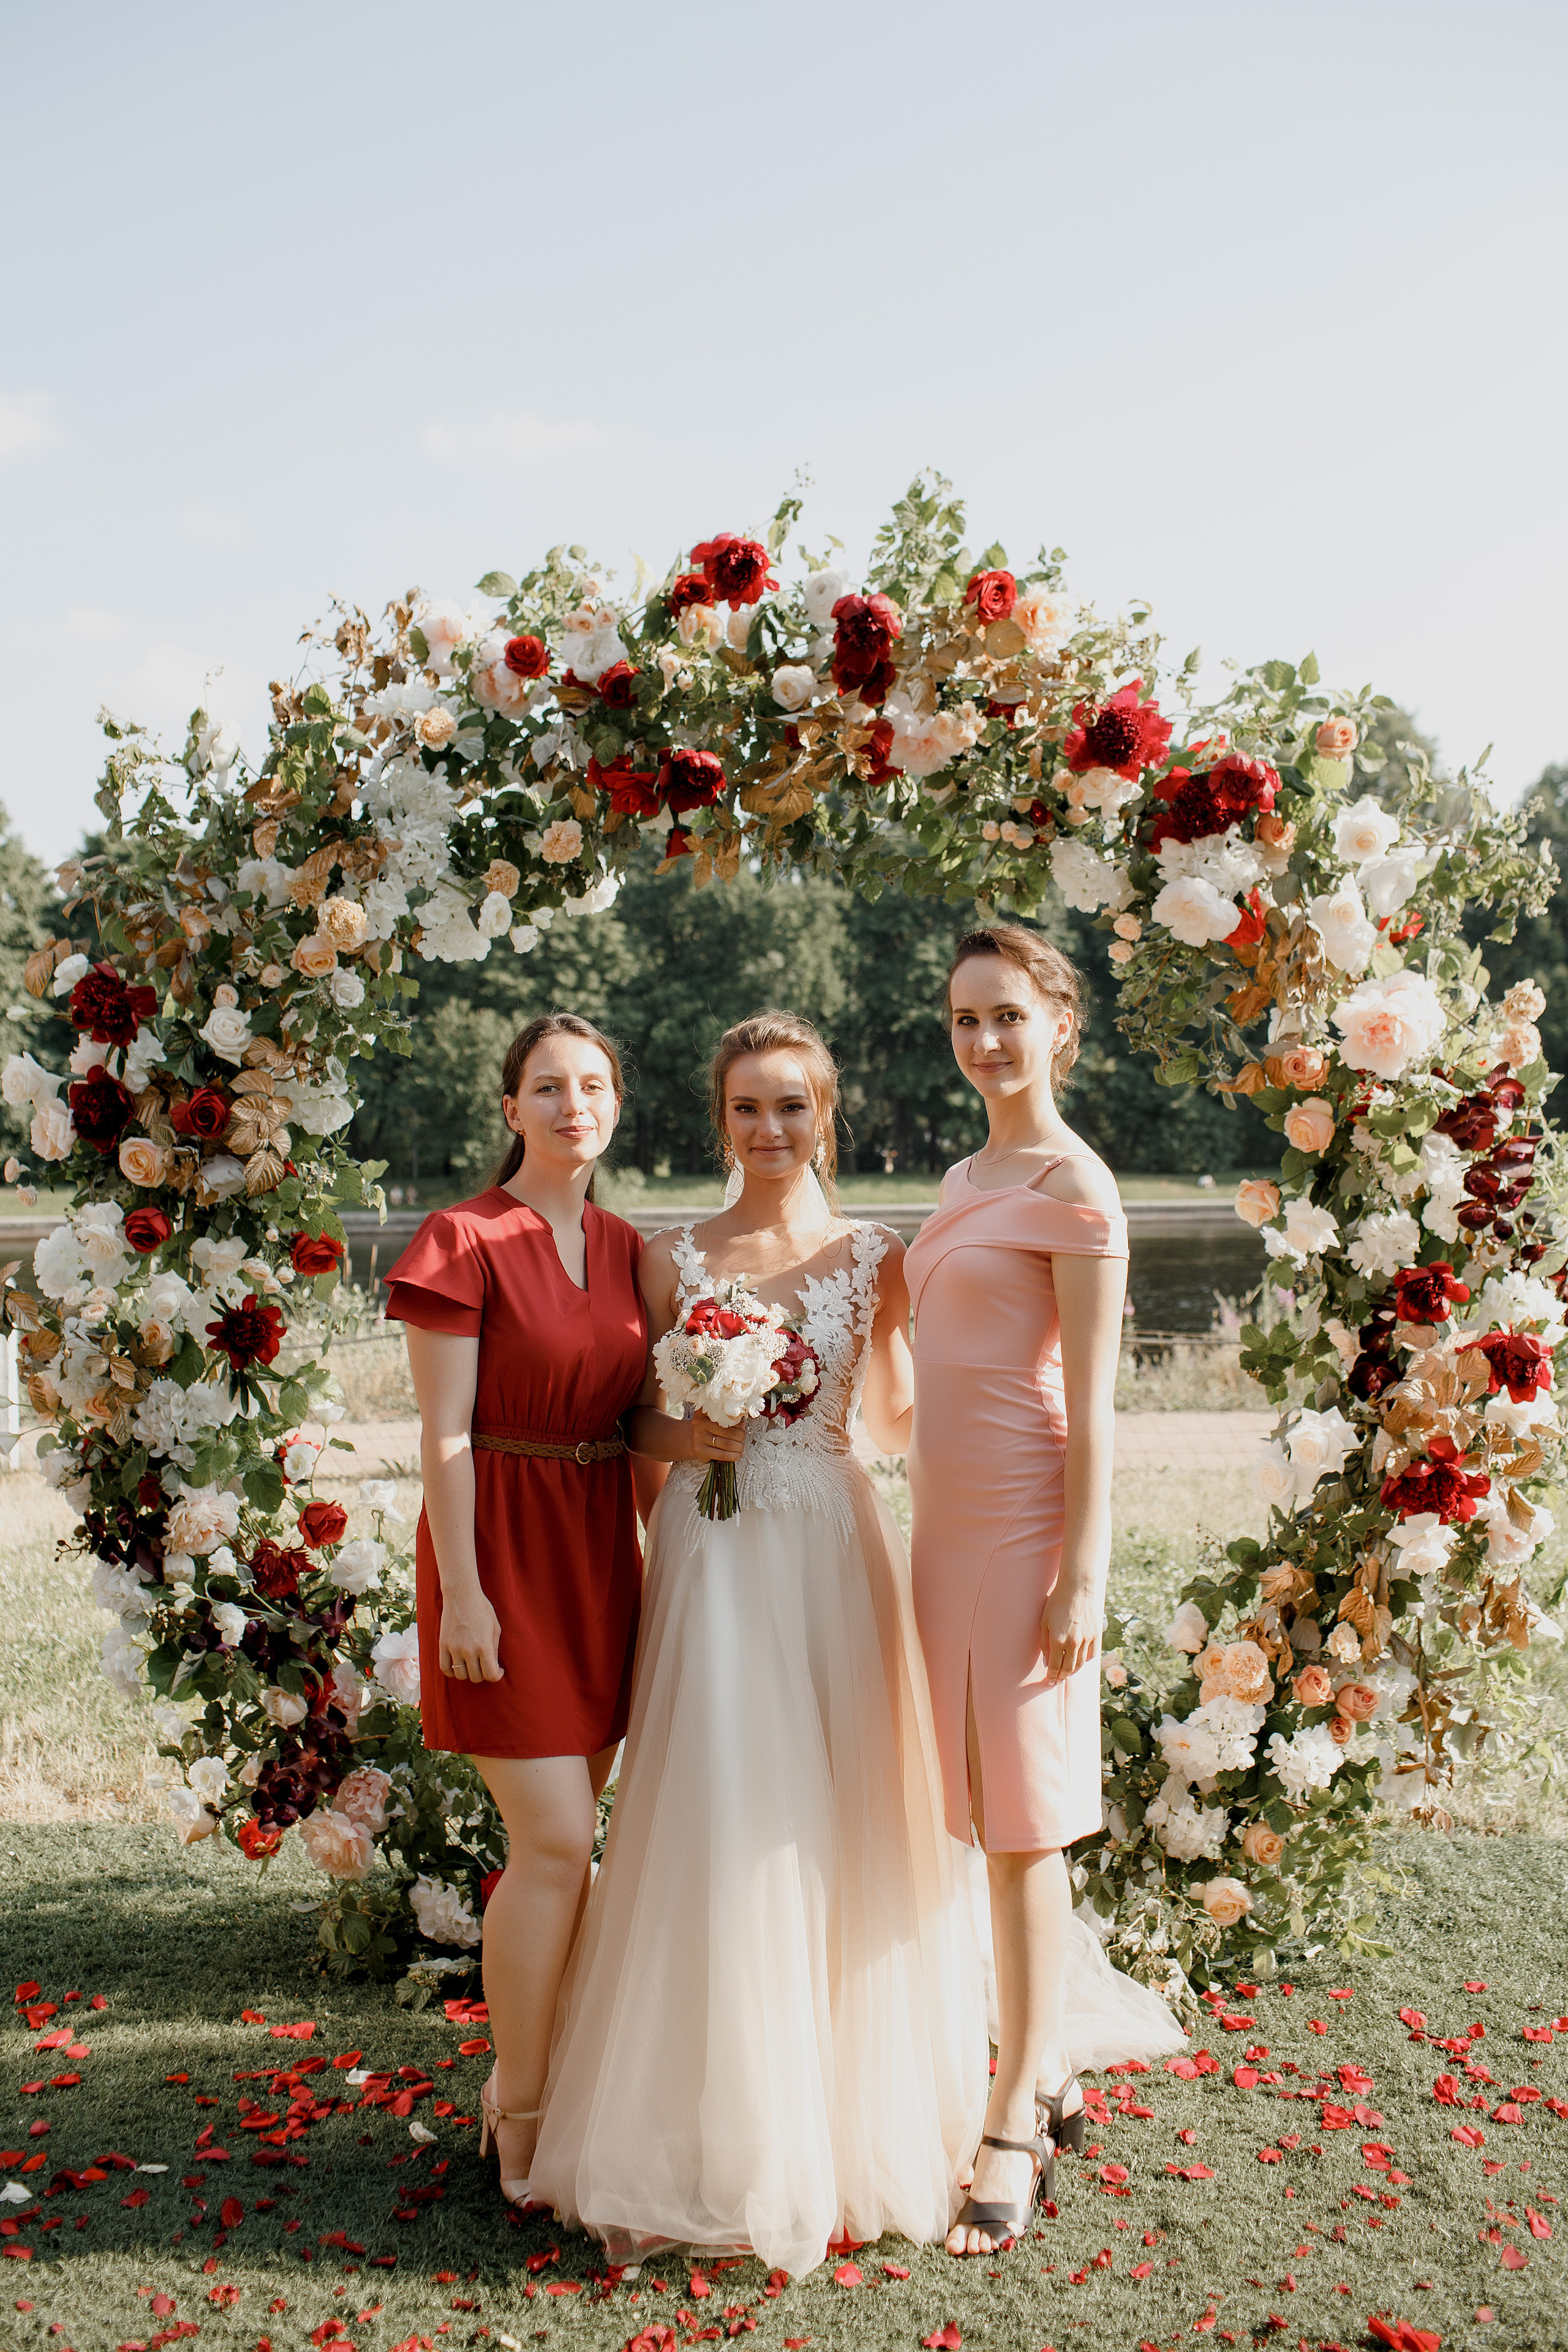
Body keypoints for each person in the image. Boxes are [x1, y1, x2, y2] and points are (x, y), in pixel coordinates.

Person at [527, 1011, 988, 2277]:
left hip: (834, 1544)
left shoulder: (876, 1253)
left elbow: (896, 1414)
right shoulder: (672, 1259)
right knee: (722, 1813)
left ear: (824, 1115)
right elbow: (636, 1427)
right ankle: (704, 2128)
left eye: (791, 1105)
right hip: (712, 1553)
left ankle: (842, 2109)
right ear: (717, 1120)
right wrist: (703, 1440)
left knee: (836, 1813)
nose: (769, 1128)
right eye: (746, 1108)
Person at [383, 1012, 659, 2205]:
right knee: (551, 1844)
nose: (571, 1105)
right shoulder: (461, 1239)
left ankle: (565, 2081)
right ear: (510, 1110)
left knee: (573, 1847)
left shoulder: (628, 1242)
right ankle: (524, 2101)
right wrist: (465, 1599)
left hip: (600, 1549)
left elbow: (642, 1418)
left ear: (614, 1104)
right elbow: (442, 1434)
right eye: (545, 1087)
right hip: (495, 1550)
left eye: (591, 1085)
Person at [904, 925, 1136, 2257]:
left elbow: (1098, 1406)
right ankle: (1039, 2061)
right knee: (976, 1816)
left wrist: (1080, 1572)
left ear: (1057, 1020)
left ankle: (1013, 2117)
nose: (984, 1042)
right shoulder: (957, 1176)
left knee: (1021, 1826)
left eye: (1005, 1015)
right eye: (962, 1021)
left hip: (1026, 1531)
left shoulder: (1076, 1183)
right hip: (941, 1538)